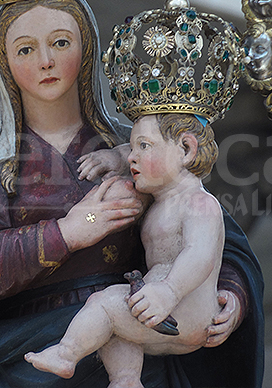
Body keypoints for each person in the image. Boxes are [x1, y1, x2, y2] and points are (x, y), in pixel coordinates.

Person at [0, 0, 264, 388]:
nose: (45, 61)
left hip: (142, 333)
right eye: (24, 49)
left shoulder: (139, 150)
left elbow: (208, 238)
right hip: (31, 351)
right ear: (4, 63)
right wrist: (70, 231)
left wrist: (229, 295)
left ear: (87, 48)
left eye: (60, 43)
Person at [25, 113, 226, 387]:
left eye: (143, 146)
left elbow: (200, 256)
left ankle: (66, 353)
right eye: (131, 148)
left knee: (103, 306)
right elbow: (130, 154)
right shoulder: (160, 201)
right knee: (118, 327)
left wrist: (169, 291)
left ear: (186, 150)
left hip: (184, 310)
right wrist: (116, 158)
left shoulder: (200, 204)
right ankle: (126, 380)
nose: (132, 157)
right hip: (163, 310)